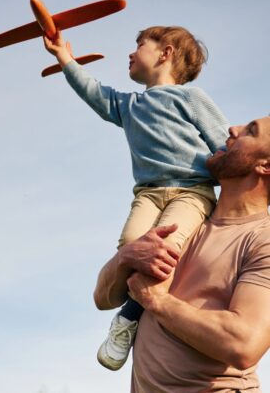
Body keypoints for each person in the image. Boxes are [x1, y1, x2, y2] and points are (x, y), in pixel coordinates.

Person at [43, 25, 229, 370]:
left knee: (166, 249)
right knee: (131, 245)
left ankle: (128, 318)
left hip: (191, 191)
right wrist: (64, 57)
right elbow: (93, 92)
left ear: (166, 52)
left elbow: (223, 145)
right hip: (148, 194)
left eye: (140, 45)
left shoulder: (191, 99)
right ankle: (128, 304)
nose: (131, 53)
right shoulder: (128, 105)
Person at [94, 116, 270, 392]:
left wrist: (157, 301)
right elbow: (102, 298)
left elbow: (244, 343)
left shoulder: (263, 240)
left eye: (251, 131)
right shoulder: (183, 218)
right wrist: (126, 256)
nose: (233, 129)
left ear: (266, 165)